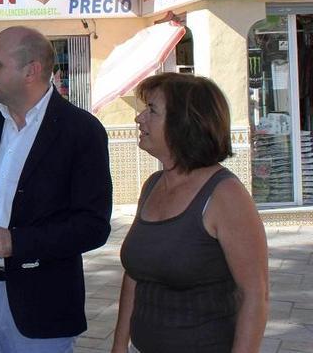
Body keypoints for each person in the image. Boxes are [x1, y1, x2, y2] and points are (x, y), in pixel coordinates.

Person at [0, 26, 113, 352]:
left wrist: (15, 242)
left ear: (30, 71)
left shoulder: (81, 131)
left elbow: (92, 226)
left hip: (42, 304)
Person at [111, 73, 268, 353]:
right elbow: (134, 274)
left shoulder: (225, 195)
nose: (139, 119)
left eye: (152, 111)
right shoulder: (153, 186)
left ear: (182, 124)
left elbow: (255, 295)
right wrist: (120, 345)